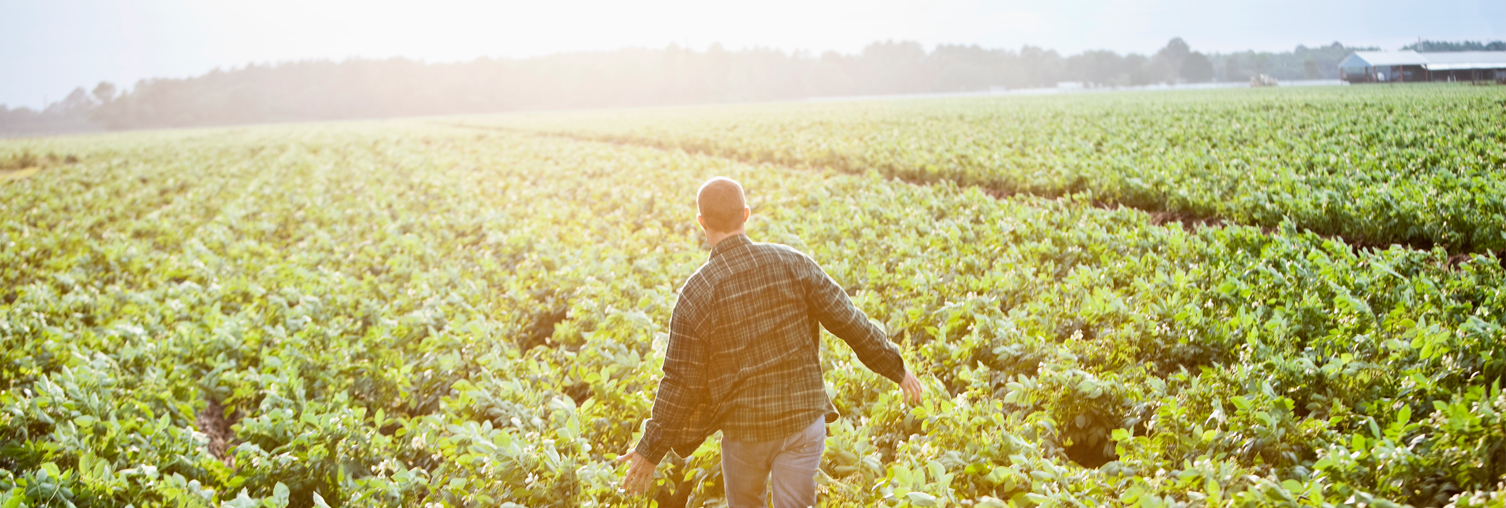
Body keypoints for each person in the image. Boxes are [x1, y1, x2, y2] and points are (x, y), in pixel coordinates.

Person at [617, 176, 924, 507]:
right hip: (803, 421)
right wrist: (896, 368)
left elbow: (680, 382)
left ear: (701, 222)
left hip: (746, 433)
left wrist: (650, 450)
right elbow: (848, 320)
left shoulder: (696, 293)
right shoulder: (793, 262)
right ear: (746, 214)